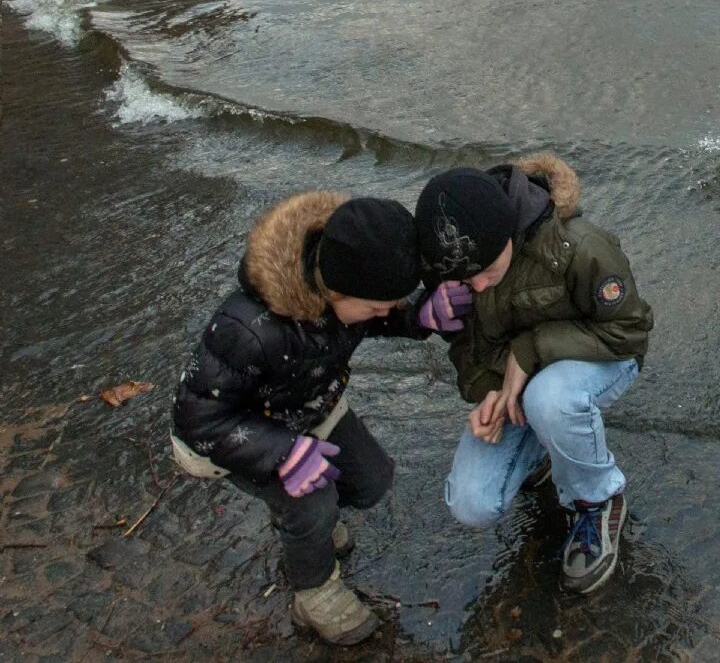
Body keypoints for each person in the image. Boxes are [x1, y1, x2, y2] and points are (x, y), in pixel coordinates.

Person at [170, 193, 472, 646]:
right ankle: (315, 594)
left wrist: (419, 315)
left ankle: (301, 528)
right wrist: (281, 452)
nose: (383, 312)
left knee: (372, 480)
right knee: (313, 505)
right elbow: (196, 419)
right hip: (236, 435)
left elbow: (370, 317)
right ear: (334, 291)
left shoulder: (345, 285)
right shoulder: (247, 329)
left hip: (312, 408)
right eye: (378, 305)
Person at [418, 152, 653, 596]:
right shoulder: (459, 265)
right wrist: (488, 390)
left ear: (509, 233)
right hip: (518, 385)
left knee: (551, 397)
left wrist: (530, 349)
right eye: (470, 281)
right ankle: (548, 448)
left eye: (488, 271)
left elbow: (630, 330)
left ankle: (597, 499)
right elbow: (467, 350)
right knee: (471, 503)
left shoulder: (580, 246)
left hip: (602, 359)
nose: (480, 287)